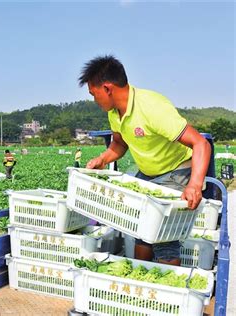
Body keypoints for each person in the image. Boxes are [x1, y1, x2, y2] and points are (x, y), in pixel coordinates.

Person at [79, 55, 211, 266]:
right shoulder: (114, 112)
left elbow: (200, 144)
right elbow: (119, 144)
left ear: (107, 88)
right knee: (141, 228)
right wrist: (102, 158)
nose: (94, 101)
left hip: (176, 170)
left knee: (163, 237)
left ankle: (167, 290)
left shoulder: (151, 107)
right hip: (149, 174)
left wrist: (195, 184)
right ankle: (143, 276)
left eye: (94, 94)